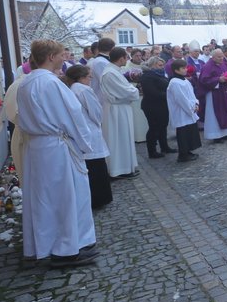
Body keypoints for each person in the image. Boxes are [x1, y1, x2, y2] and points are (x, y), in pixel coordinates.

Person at [14, 39, 98, 268]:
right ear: (50, 56)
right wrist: (84, 143)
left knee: (46, 199)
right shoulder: (50, 84)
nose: (66, 58)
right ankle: (65, 249)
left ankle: (52, 243)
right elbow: (71, 116)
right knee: (64, 198)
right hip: (57, 148)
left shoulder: (26, 82)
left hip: (39, 148)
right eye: (62, 54)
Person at [64, 65, 113, 210]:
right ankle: (100, 198)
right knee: (96, 167)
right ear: (81, 77)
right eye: (89, 77)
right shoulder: (84, 90)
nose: (90, 80)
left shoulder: (72, 89)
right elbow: (96, 112)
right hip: (89, 130)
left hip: (81, 131)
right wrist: (99, 121)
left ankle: (94, 198)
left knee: (90, 166)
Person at [99, 47, 139, 178]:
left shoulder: (114, 71)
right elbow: (127, 91)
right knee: (118, 139)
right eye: (126, 58)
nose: (126, 60)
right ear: (121, 58)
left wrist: (131, 89)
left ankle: (127, 166)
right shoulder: (110, 73)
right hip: (116, 111)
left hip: (121, 108)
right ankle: (119, 169)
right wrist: (135, 89)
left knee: (124, 138)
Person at [140, 56, 175, 158]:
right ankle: (152, 151)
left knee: (163, 126)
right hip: (152, 105)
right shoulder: (147, 76)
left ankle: (164, 147)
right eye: (160, 65)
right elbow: (152, 92)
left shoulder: (159, 74)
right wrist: (168, 94)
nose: (162, 67)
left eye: (162, 65)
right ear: (152, 65)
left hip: (162, 104)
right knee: (154, 127)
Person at [167, 59, 201, 162]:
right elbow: (181, 99)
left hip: (190, 109)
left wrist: (196, 103)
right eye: (183, 68)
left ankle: (188, 151)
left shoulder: (184, 80)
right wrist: (191, 107)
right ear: (176, 70)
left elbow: (191, 94)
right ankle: (183, 155)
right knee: (183, 133)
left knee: (190, 132)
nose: (186, 69)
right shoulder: (174, 82)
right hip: (182, 111)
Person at [199, 48, 227, 142]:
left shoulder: (223, 63)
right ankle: (215, 135)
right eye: (219, 57)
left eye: (222, 56)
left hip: (224, 91)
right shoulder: (207, 66)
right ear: (213, 57)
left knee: (226, 110)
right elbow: (204, 80)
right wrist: (218, 80)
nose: (221, 59)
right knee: (214, 114)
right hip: (214, 94)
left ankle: (226, 132)